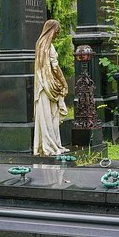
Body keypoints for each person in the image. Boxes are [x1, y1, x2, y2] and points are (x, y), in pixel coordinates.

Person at [33, 19, 70, 156]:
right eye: (56, 32)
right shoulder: (48, 46)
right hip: (48, 85)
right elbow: (54, 67)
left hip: (43, 85)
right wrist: (64, 82)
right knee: (50, 116)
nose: (57, 35)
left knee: (49, 115)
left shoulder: (40, 44)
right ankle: (50, 144)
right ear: (51, 30)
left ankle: (52, 143)